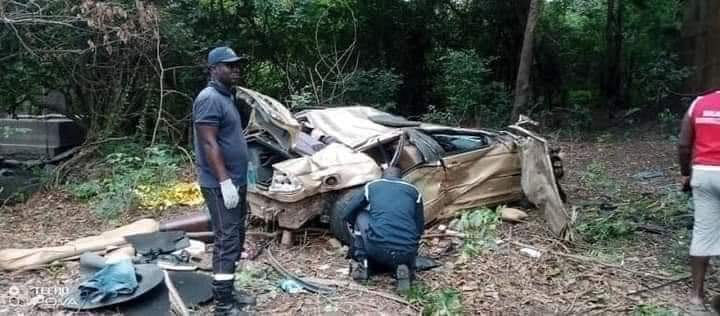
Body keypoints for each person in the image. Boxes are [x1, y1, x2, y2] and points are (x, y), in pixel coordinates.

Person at [192, 46, 254, 316]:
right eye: (229, 65)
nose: (235, 68)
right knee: (227, 240)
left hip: (236, 180)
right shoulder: (208, 98)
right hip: (220, 184)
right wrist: (225, 181)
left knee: (236, 238)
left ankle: (229, 290)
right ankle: (222, 305)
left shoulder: (226, 96)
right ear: (213, 69)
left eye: (237, 64)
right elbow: (209, 142)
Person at [343, 167, 424, 291]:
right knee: (406, 224)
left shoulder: (372, 186)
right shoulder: (414, 191)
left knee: (360, 215)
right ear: (400, 178)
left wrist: (351, 227)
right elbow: (419, 227)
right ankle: (403, 266)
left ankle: (363, 264)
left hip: (377, 247)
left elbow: (348, 211)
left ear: (382, 176)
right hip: (408, 251)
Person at [678, 90, 720, 307]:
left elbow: (684, 145)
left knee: (703, 231)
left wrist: (686, 172)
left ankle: (696, 295)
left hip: (704, 173)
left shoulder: (700, 103)